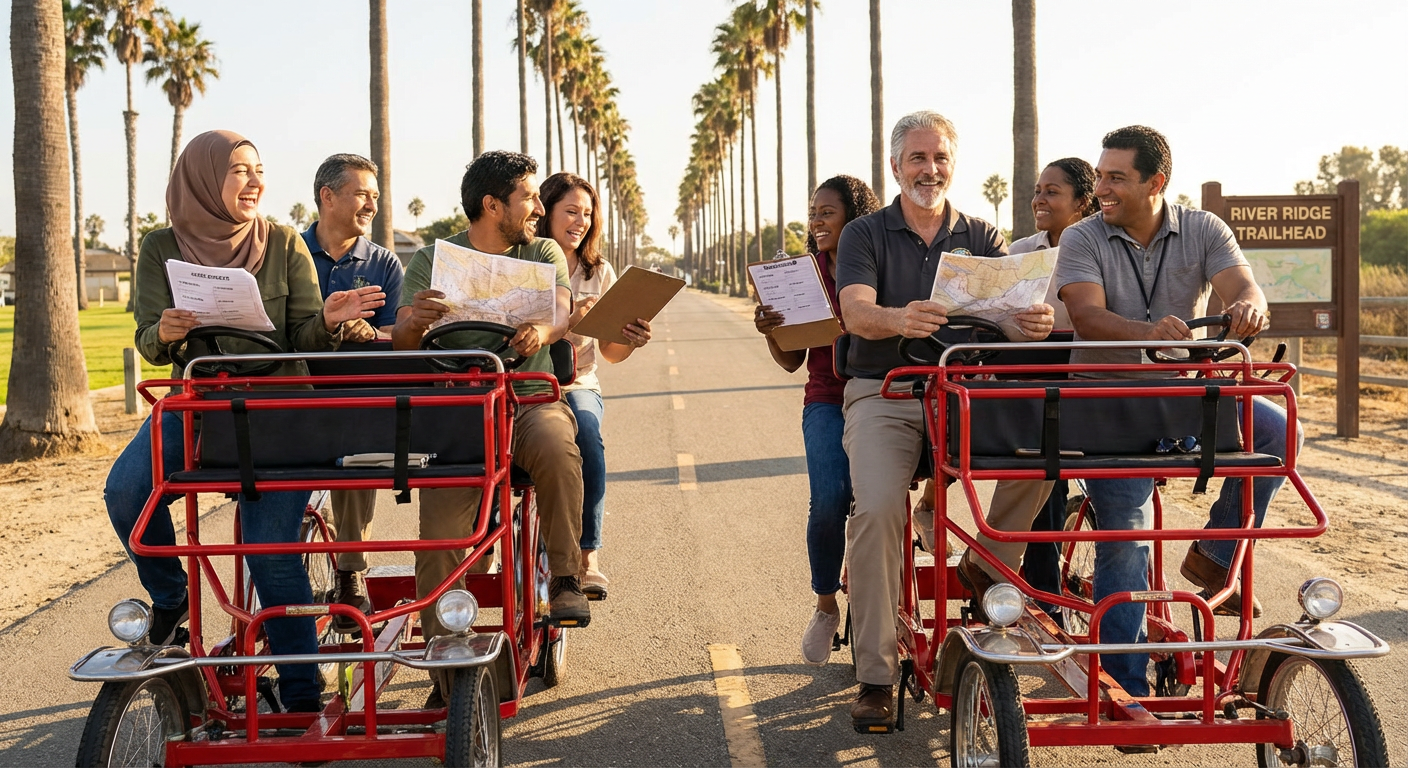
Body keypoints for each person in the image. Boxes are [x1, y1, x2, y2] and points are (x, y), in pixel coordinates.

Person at [105, 130, 385, 712]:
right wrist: (166, 333)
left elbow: (304, 337)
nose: (255, 181)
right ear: (204, 179)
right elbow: (148, 342)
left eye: (258, 169)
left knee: (268, 553)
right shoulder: (161, 246)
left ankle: (303, 696)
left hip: (277, 414)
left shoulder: (283, 241)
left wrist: (329, 319)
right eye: (239, 171)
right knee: (126, 493)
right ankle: (170, 595)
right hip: (200, 405)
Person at [1054, 125, 1303, 698]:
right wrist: (1148, 334)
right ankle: (1125, 685)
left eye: (1116, 177)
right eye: (1100, 176)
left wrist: (1247, 306)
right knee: (1129, 534)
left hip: (1183, 397)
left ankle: (1214, 556)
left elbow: (1244, 286)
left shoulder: (1203, 228)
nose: (1102, 188)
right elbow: (1088, 318)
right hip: (1106, 403)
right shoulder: (1084, 238)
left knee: (1279, 430)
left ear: (1156, 182)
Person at [835, 111, 1055, 728]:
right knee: (877, 508)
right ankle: (876, 676)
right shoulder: (865, 235)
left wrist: (1026, 325)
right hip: (886, 392)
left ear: (952, 163)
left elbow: (1006, 316)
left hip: (962, 394)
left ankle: (981, 565)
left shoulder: (982, 235)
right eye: (916, 159)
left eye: (939, 159)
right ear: (896, 166)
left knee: (1041, 459)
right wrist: (899, 318)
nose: (929, 170)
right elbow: (855, 312)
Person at [392, 151, 588, 653]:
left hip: (526, 399)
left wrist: (540, 330)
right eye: (528, 197)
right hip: (457, 411)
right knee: (438, 537)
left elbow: (562, 313)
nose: (538, 209)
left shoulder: (542, 253)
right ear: (492, 205)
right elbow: (402, 341)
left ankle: (566, 578)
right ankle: (442, 651)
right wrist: (415, 319)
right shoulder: (432, 260)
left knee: (558, 445)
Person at [752, 174, 881, 666]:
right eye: (813, 213)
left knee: (877, 503)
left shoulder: (877, 264)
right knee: (829, 499)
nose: (817, 221)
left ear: (855, 215)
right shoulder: (800, 274)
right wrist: (770, 330)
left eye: (827, 211)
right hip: (826, 397)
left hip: (881, 395)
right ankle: (826, 604)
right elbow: (790, 362)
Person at [970, 157, 1103, 616]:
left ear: (1082, 203)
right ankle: (1039, 596)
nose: (1039, 199)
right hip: (1030, 376)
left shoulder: (1104, 247)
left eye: (1053, 192)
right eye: (1038, 190)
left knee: (1082, 484)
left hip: (1086, 377)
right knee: (1040, 470)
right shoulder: (1022, 251)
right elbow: (994, 314)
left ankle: (1054, 592)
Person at [300, 153, 405, 632]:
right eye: (363, 193)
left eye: (376, 197)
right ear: (327, 195)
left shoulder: (384, 263)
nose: (372, 205)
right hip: (294, 394)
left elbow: (401, 341)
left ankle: (350, 572)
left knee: (356, 446)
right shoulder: (288, 255)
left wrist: (369, 333)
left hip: (357, 395)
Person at [536, 172, 652, 599]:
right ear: (545, 210)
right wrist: (567, 319)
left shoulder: (598, 271)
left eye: (587, 213)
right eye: (570, 211)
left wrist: (631, 338)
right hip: (525, 381)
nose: (580, 221)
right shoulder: (524, 261)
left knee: (588, 437)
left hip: (577, 382)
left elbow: (611, 352)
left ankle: (588, 557)